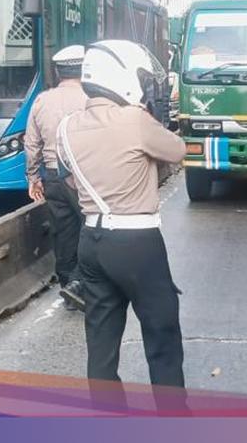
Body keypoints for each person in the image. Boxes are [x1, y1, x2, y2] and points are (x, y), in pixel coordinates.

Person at [56, 40, 188, 408]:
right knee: (161, 332)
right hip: (136, 241)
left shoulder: (67, 127)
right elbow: (177, 150)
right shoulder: (133, 120)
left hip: (91, 239)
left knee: (101, 339)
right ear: (122, 77)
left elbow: (70, 181)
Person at [24, 45, 89, 311]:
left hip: (52, 176)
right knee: (92, 229)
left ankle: (67, 285)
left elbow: (31, 144)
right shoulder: (91, 99)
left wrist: (33, 177)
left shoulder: (42, 101)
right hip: (85, 177)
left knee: (63, 233)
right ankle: (79, 283)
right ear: (84, 70)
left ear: (58, 72)